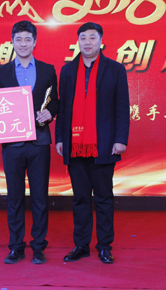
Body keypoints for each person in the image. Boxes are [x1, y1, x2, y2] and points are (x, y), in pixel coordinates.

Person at [55, 22, 130, 264]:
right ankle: (81, 245)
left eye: (92, 37)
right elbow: (63, 108)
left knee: (104, 197)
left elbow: (122, 107)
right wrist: (60, 138)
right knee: (80, 198)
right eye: (83, 38)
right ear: (78, 41)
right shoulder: (68, 70)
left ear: (101, 41)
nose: (87, 42)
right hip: (75, 144)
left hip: (104, 144)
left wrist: (120, 139)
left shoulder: (115, 69)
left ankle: (105, 246)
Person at [0, 20, 59, 264]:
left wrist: (50, 113)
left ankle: (38, 246)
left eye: (28, 39)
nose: (23, 44)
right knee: (14, 197)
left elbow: (55, 101)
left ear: (35, 42)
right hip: (12, 144)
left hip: (39, 142)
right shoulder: (2, 72)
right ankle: (16, 246)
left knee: (40, 197)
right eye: (19, 39)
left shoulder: (48, 70)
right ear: (12, 42)